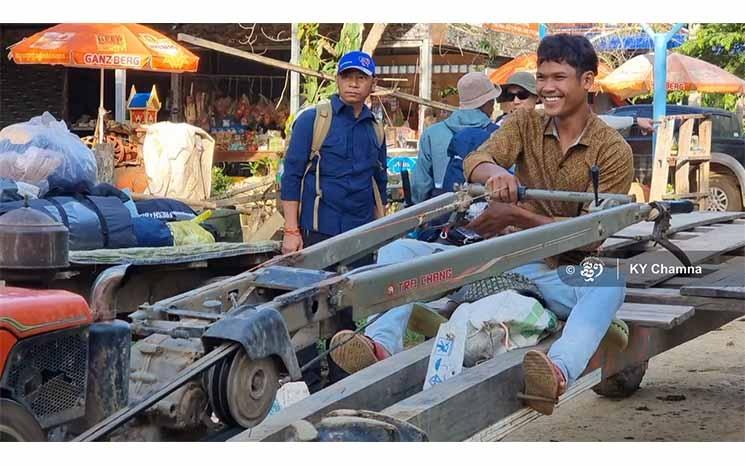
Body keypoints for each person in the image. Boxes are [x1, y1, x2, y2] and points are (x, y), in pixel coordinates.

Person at [330, 34, 634, 418]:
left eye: (559, 77)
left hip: (561, 270)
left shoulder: (612, 150)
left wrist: (517, 216)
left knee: (612, 280)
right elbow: (478, 157)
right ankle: (380, 344)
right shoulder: (524, 121)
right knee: (397, 251)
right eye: (542, 78)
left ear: (588, 82)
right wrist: (493, 174)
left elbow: (593, 236)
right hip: (502, 258)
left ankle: (557, 371)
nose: (547, 87)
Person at [279, 50, 387, 391]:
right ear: (338, 80)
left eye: (361, 78)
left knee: (349, 310)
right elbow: (292, 177)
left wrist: (380, 233)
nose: (353, 83)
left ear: (372, 84)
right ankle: (308, 381)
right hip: (317, 232)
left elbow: (378, 184)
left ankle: (343, 380)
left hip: (359, 236)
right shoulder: (314, 120)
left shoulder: (376, 130)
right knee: (308, 308)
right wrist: (291, 230)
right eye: (347, 76)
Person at [410, 72, 501, 204]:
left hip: (443, 214)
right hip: (487, 217)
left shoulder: (432, 134)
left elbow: (420, 186)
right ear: (488, 102)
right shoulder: (498, 136)